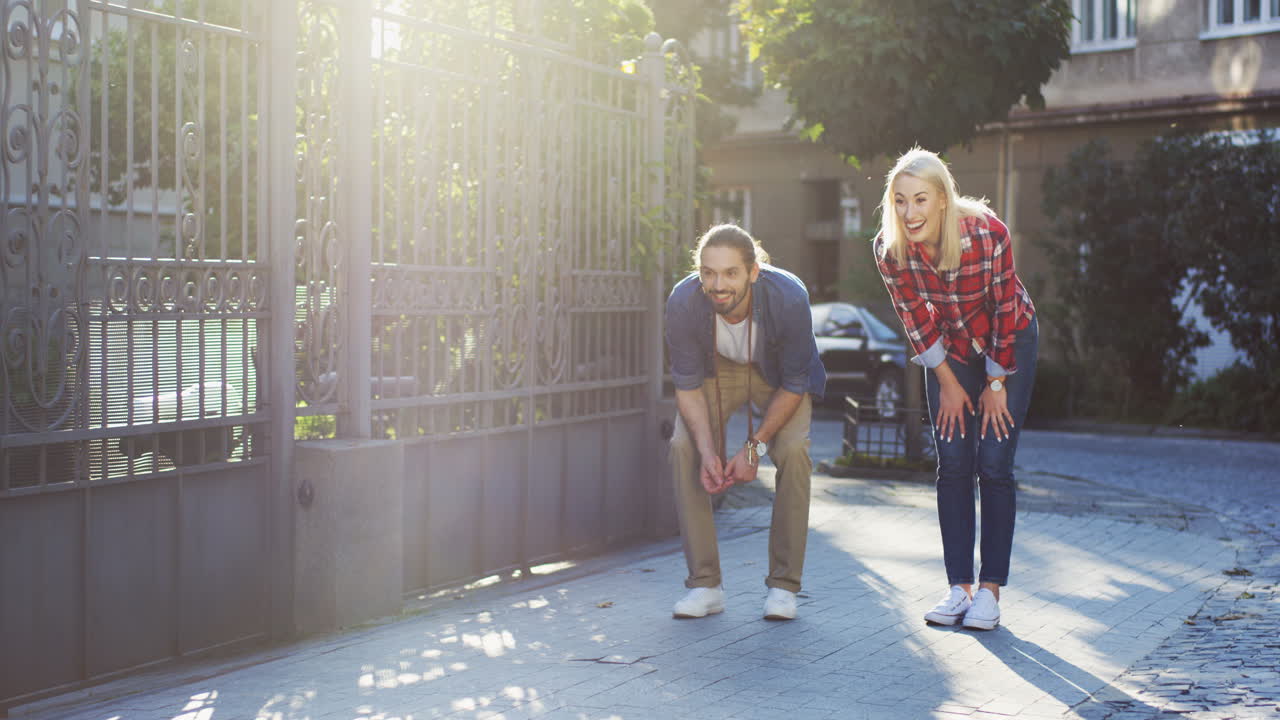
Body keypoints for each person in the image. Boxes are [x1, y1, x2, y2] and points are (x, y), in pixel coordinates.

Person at [872, 147, 1038, 631]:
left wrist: (995, 381)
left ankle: (990, 592)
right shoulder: (890, 249)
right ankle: (958, 589)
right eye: (900, 201)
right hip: (949, 349)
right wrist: (947, 382)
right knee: (953, 462)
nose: (910, 212)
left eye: (920, 199)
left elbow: (1006, 311)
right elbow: (915, 321)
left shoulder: (988, 234)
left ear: (943, 198)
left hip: (1009, 343)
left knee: (993, 462)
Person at [664, 224, 826, 621]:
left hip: (777, 379)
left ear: (753, 271)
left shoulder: (789, 297)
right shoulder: (684, 301)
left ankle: (784, 587)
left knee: (792, 450)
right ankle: (705, 586)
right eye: (708, 272)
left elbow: (794, 383)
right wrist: (707, 452)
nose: (718, 285)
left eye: (730, 273)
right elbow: (686, 386)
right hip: (719, 372)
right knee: (682, 447)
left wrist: (754, 449)